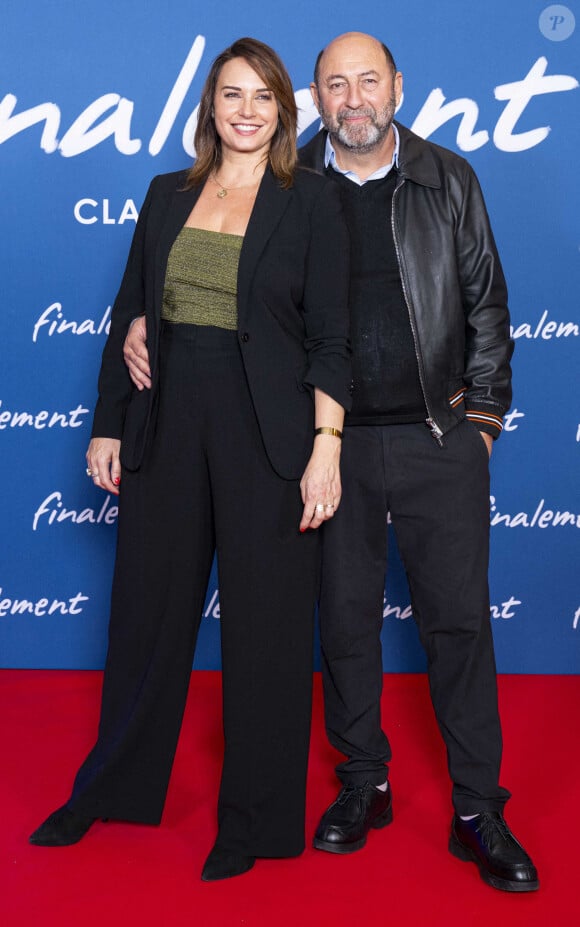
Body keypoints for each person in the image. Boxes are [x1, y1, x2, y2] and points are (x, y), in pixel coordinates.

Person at [123, 30, 538, 894]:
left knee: (457, 627)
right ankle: (363, 783)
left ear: (397, 87)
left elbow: (485, 302)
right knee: (344, 626)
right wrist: (144, 322)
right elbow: (224, 294)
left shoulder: (447, 178)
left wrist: (484, 422)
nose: (353, 99)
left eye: (369, 82)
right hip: (327, 445)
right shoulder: (290, 185)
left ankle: (477, 808)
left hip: (434, 437)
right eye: (335, 85)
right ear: (314, 98)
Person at [29, 37, 352, 883]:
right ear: (209, 107)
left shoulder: (310, 201)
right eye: (231, 95)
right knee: (146, 617)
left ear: (285, 111)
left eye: (263, 97)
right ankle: (111, 788)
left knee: (268, 635)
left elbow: (331, 339)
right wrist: (108, 423)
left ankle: (254, 821)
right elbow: (130, 311)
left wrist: (327, 449)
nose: (246, 111)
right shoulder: (167, 193)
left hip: (270, 435)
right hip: (167, 422)